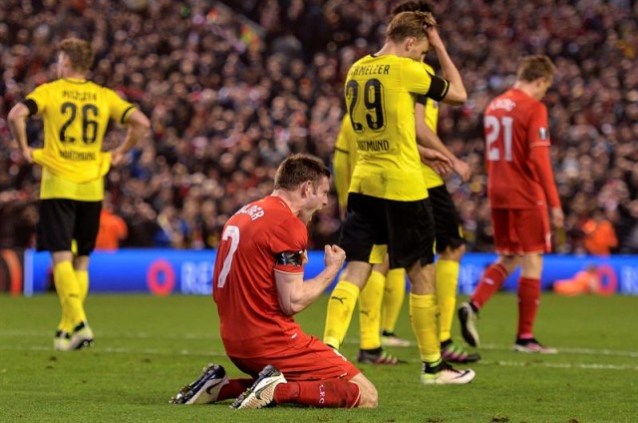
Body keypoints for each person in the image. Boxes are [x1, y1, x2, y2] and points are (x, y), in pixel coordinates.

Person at [323, 11, 475, 384]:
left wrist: (423, 151)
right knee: (421, 272)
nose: (421, 55)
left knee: (356, 269)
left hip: (364, 183)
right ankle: (434, 366)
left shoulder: (356, 69)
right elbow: (459, 93)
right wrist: (439, 45)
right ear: (410, 43)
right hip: (403, 186)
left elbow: (383, 129)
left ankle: (327, 351)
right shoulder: (406, 69)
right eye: (421, 49)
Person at [170, 154, 377, 409]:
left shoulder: (241, 215)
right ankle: (277, 391)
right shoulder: (286, 223)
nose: (325, 202)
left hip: (234, 341)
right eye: (324, 192)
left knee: (311, 379)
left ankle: (223, 387)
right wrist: (331, 270)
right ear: (307, 188)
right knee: (366, 394)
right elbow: (293, 301)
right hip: (271, 341)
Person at [7, 38, 150, 351]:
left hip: (58, 182)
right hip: (91, 184)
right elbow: (141, 122)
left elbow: (16, 114)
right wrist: (119, 152)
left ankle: (80, 322)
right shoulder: (104, 96)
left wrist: (24, 149)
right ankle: (65, 329)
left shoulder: (50, 91)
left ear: (67, 62)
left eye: (60, 59)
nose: (58, 64)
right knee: (82, 259)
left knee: (60, 254)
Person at [458, 55, 564, 354]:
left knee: (510, 255)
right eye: (546, 87)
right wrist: (555, 204)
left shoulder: (494, 105)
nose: (545, 93)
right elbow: (540, 159)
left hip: (498, 190)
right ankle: (525, 337)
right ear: (541, 80)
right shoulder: (534, 107)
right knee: (533, 259)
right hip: (525, 192)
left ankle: (473, 305)